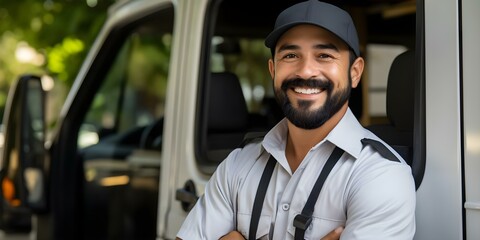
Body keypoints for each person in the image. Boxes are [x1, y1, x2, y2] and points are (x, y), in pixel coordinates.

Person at [177, 0, 416, 239]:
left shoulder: (381, 175)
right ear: (273, 70)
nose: (305, 71)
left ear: (354, 73)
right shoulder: (238, 164)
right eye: (291, 55)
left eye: (324, 55)